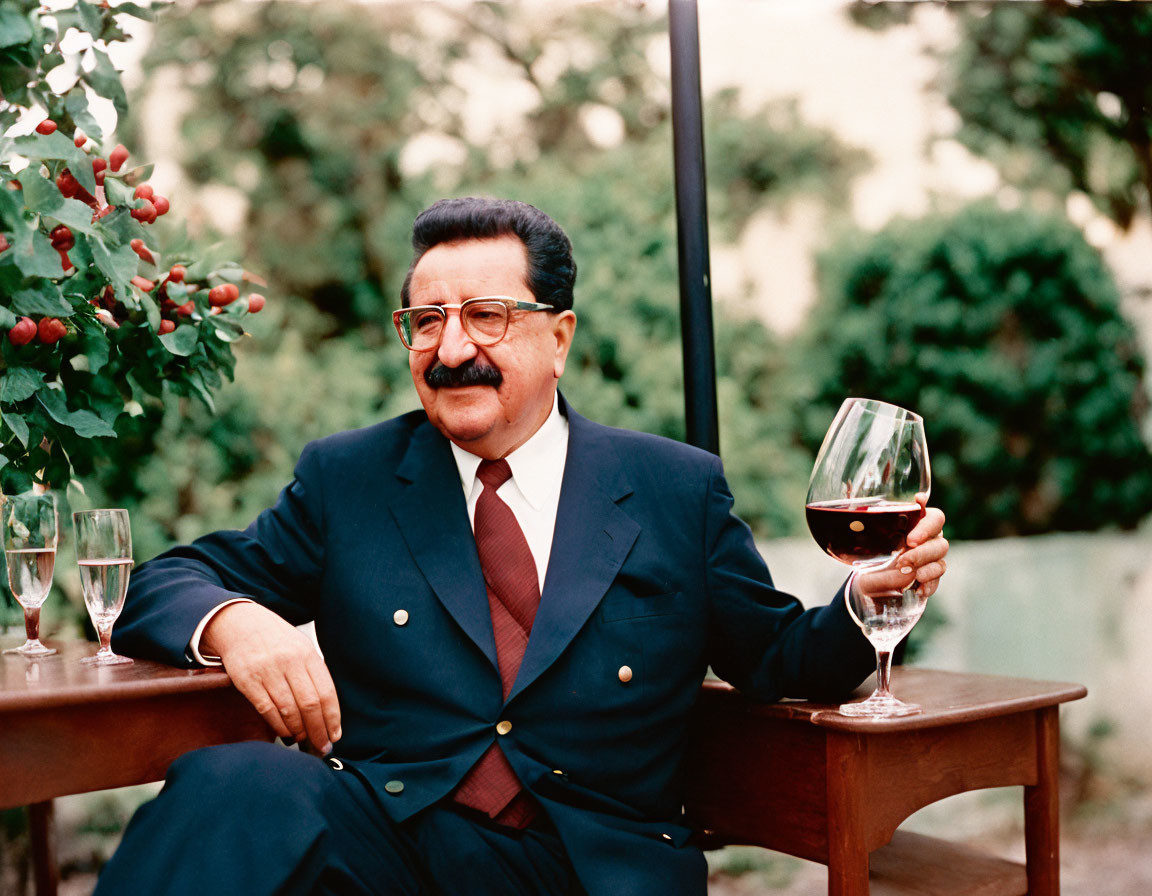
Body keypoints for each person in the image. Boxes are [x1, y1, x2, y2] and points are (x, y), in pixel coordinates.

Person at [96, 197, 948, 896]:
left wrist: (868, 598)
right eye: (426, 321)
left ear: (559, 337)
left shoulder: (673, 489)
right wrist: (239, 623)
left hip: (594, 868)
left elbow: (776, 656)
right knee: (235, 784)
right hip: (400, 849)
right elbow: (165, 582)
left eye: (487, 316)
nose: (452, 347)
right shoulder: (348, 478)